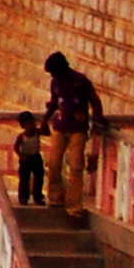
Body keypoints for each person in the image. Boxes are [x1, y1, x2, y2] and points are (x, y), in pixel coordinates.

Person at [43, 51, 102, 216]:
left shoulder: (80, 81)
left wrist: (97, 119)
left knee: (76, 166)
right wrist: (44, 120)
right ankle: (55, 198)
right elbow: (54, 103)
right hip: (60, 126)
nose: (52, 75)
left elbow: (95, 101)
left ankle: (74, 206)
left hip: (78, 128)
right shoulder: (55, 82)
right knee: (53, 163)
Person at [12, 110, 48, 206]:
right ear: (23, 126)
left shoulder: (37, 132)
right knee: (24, 178)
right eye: (28, 124)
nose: (31, 126)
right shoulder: (21, 136)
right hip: (25, 158)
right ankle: (23, 197)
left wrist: (44, 122)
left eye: (32, 123)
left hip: (36, 157)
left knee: (39, 177)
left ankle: (38, 197)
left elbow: (47, 133)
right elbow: (15, 147)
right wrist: (21, 155)